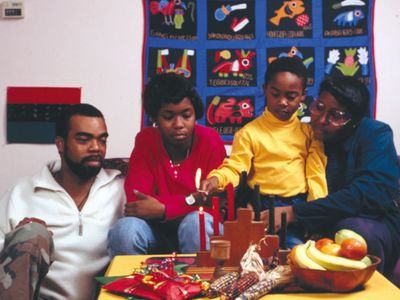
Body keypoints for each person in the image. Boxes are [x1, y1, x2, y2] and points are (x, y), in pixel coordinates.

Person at [264, 76, 400, 275]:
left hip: (371, 222)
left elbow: (367, 195)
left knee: (353, 233)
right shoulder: (303, 134)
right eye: (319, 107)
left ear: (354, 121)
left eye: (336, 115)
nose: (321, 119)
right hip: (313, 223)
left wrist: (294, 212)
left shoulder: (375, 133)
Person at [0, 104, 125, 300]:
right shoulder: (23, 191)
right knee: (33, 232)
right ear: (60, 144)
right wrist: (22, 240)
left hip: (104, 297)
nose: (96, 148)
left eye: (102, 140)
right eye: (84, 140)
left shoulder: (120, 190)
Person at [201, 57, 328, 248]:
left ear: (303, 95)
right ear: (264, 90)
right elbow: (236, 167)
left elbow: (315, 174)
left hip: (295, 208)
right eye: (275, 94)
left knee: (295, 253)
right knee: (254, 255)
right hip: (259, 208)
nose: (282, 102)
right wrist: (216, 179)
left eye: (291, 96)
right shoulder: (249, 133)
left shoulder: (309, 133)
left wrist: (315, 213)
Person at [108, 73, 226, 256]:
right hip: (156, 233)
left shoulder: (209, 140)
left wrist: (163, 210)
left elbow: (215, 204)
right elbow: (137, 204)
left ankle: (199, 284)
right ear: (155, 117)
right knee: (125, 230)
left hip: (197, 229)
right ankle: (132, 285)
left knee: (197, 222)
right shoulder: (145, 141)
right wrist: (193, 199)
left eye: (186, 115)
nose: (179, 124)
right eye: (168, 116)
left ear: (196, 114)